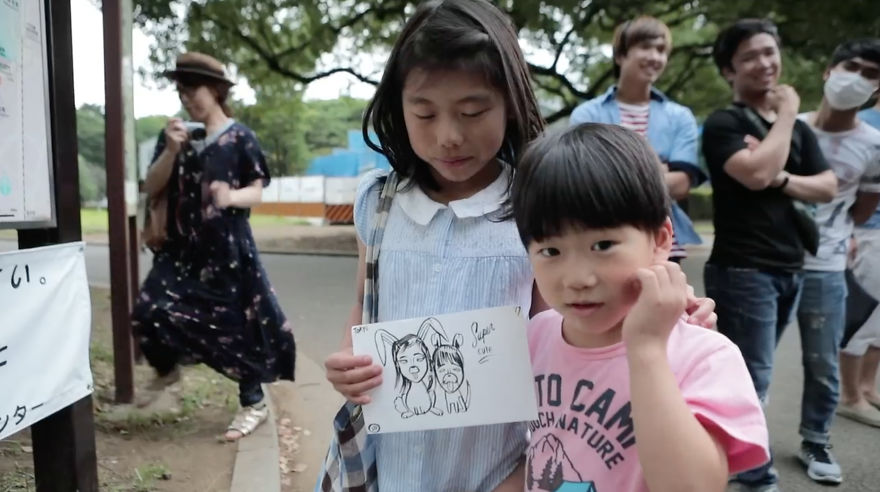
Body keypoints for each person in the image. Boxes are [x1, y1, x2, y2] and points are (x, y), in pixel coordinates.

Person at [318, 1, 717, 490]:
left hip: (497, 467)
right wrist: (348, 357)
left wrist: (666, 312)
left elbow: (573, 328)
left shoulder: (536, 208)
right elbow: (365, 301)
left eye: (473, 112)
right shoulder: (376, 203)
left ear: (510, 102)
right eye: (424, 113)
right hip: (384, 463)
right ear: (398, 107)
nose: (449, 136)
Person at [510, 123, 769, 492]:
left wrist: (646, 348)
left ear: (660, 240)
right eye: (551, 251)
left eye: (603, 245)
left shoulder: (704, 357)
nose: (577, 278)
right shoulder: (536, 335)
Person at [701, 19, 838, 490]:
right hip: (743, 268)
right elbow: (755, 174)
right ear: (728, 70)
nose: (764, 63)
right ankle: (754, 476)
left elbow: (828, 185)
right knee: (752, 377)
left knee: (751, 374)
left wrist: (780, 175)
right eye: (749, 57)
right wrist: (789, 112)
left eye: (769, 52)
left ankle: (731, 460)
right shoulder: (725, 123)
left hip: (790, 267)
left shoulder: (796, 133)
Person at [132, 52, 295, 442]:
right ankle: (166, 369)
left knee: (237, 325)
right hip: (180, 250)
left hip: (228, 250)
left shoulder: (240, 138)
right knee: (149, 309)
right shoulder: (173, 136)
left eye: (194, 90)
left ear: (216, 91)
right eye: (181, 91)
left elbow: (257, 189)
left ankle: (253, 403)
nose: (187, 98)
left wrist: (231, 197)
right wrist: (171, 151)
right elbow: (151, 186)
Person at [793, 39, 880, 482]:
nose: (858, 79)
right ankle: (743, 442)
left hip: (826, 266)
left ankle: (816, 440)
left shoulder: (874, 145)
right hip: (768, 261)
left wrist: (838, 235)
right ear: (829, 71)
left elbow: (862, 209)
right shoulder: (788, 126)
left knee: (823, 363)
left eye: (871, 74)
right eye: (852, 67)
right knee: (749, 360)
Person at [569, 16, 706, 263]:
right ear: (620, 55)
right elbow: (586, 181)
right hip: (602, 239)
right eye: (645, 47)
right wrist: (657, 168)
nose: (655, 57)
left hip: (664, 245)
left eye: (661, 50)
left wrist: (618, 170)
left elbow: (681, 184)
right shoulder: (588, 114)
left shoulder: (680, 117)